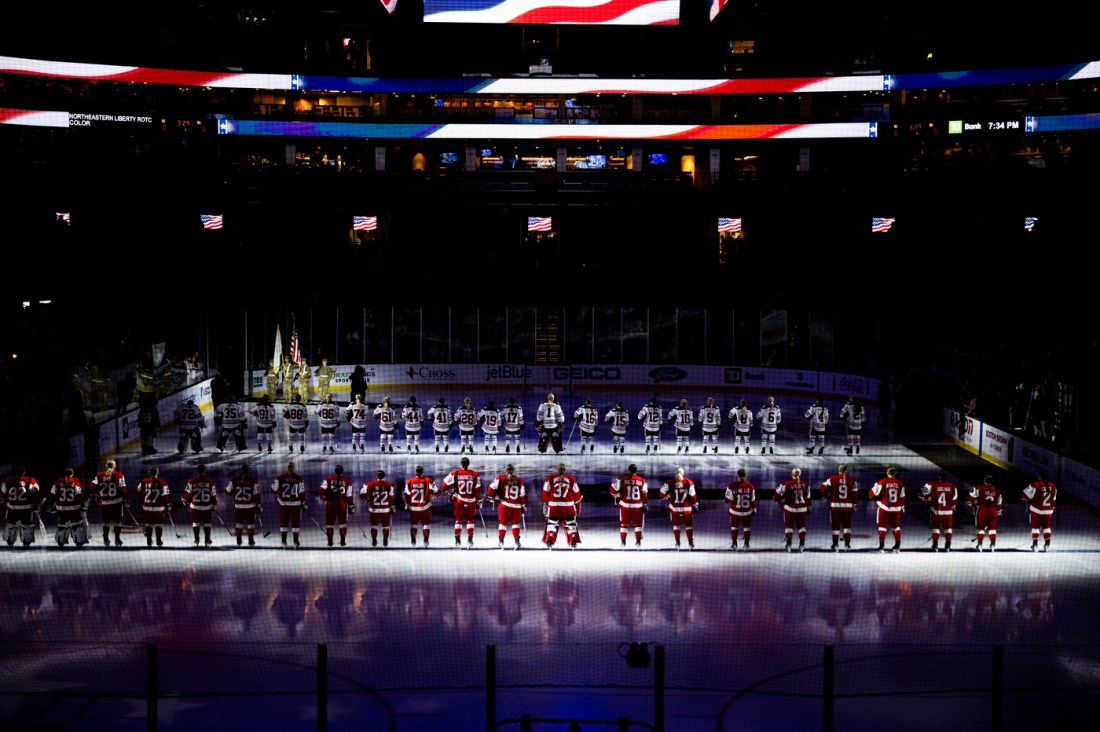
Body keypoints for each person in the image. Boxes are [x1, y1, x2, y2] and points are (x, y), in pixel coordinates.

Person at [443, 456, 482, 547]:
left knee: (458, 520)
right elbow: (477, 489)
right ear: (468, 464)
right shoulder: (475, 474)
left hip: (459, 500)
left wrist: (449, 490)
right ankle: (470, 540)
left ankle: (457, 540)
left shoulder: (455, 473)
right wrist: (478, 500)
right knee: (470, 520)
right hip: (471, 501)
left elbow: (444, 484)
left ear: (461, 464)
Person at [541, 463, 582, 549]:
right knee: (570, 524)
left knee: (552, 524)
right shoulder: (571, 479)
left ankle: (550, 538)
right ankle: (573, 540)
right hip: (568, 506)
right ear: (565, 470)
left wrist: (545, 503)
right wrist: (577, 503)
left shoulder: (550, 478)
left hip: (554, 506)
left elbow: (545, 492)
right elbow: (576, 494)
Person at [487, 463, 527, 549]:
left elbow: (491, 489)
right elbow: (522, 495)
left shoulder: (500, 478)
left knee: (502, 523)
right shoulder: (520, 481)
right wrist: (523, 505)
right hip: (516, 506)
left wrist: (491, 496)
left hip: (504, 505)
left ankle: (501, 541)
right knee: (515, 524)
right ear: (514, 470)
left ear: (506, 470)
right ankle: (517, 542)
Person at [46, 467, 88, 548]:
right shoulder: (76, 481)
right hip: (74, 509)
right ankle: (78, 540)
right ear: (72, 474)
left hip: (61, 509)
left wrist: (51, 505)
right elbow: (80, 495)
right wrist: (83, 505)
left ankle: (60, 540)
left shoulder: (58, 482)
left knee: (62, 524)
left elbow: (52, 495)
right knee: (77, 524)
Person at [820, 463, 858, 551]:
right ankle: (847, 544)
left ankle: (835, 544)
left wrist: (828, 495)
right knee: (847, 526)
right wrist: (854, 504)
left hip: (835, 506)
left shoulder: (832, 479)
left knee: (835, 526)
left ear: (839, 470)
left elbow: (822, 488)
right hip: (847, 506)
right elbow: (855, 494)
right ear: (846, 470)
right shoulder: (852, 480)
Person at [90, 458, 127, 547]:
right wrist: (126, 499)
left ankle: (106, 538)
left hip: (105, 503)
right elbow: (123, 489)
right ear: (114, 466)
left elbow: (92, 486)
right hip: (116, 503)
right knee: (117, 522)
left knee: (106, 522)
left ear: (106, 466)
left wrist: (96, 494)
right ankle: (117, 539)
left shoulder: (99, 475)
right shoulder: (119, 475)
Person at [869, 466, 906, 553]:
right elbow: (902, 497)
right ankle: (897, 546)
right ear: (895, 474)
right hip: (896, 509)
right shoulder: (900, 483)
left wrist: (872, 496)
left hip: (884, 508)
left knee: (882, 527)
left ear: (887, 473)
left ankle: (882, 547)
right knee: (896, 527)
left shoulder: (882, 481)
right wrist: (902, 506)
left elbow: (873, 493)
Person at [773, 467, 811, 552]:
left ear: (792, 475)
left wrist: (780, 498)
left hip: (790, 509)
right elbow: (808, 498)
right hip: (802, 509)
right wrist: (808, 506)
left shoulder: (786, 484)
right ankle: (802, 544)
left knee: (789, 527)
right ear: (799, 475)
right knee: (802, 527)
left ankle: (789, 544)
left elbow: (776, 495)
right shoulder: (806, 484)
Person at [920, 469, 959, 552]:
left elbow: (923, 490)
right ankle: (948, 545)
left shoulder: (932, 484)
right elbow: (955, 498)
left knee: (935, 528)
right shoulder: (952, 486)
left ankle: (935, 544)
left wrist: (927, 496)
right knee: (948, 529)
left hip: (936, 511)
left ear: (939, 476)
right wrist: (953, 505)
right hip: (948, 511)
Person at [611, 463, 648, 548]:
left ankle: (623, 542)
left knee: (624, 524)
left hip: (625, 505)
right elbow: (644, 494)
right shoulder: (642, 480)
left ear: (629, 470)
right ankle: (638, 542)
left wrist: (617, 494)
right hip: (637, 506)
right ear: (636, 470)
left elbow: (612, 489)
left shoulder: (622, 478)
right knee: (638, 524)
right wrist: (645, 503)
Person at [661, 467, 699, 549]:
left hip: (675, 509)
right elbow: (693, 496)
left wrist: (666, 496)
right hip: (687, 509)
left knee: (676, 526)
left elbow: (661, 493)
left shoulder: (670, 482)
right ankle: (690, 543)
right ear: (683, 473)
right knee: (688, 526)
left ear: (675, 473)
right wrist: (695, 504)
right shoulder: (689, 482)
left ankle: (677, 543)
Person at [2, 466, 41, 547]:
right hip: (26, 508)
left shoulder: (8, 480)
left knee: (11, 524)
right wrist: (37, 503)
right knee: (27, 524)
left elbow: (3, 491)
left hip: (12, 508)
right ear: (24, 472)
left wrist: (6, 499)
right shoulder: (30, 480)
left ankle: (10, 540)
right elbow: (36, 491)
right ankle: (26, 541)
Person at [317, 464, 355, 547]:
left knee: (329, 523)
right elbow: (349, 495)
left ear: (335, 471)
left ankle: (330, 541)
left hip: (330, 503)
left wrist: (323, 496)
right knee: (343, 523)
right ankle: (342, 541)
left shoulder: (328, 479)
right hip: (342, 504)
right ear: (342, 471)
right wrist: (351, 505)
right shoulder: (347, 481)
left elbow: (321, 489)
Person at [225, 463, 261, 547]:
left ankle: (238, 540)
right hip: (250, 506)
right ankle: (251, 540)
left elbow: (227, 491)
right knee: (250, 523)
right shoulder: (253, 480)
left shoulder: (234, 479)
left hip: (238, 505)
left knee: (239, 523)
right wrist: (259, 505)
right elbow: (256, 494)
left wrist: (234, 493)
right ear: (248, 471)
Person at [182, 463, 218, 547]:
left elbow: (187, 493)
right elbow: (213, 494)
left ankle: (196, 538)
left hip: (195, 506)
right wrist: (214, 504)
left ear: (197, 471)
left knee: (195, 523)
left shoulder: (191, 481)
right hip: (207, 507)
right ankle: (207, 539)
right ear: (205, 471)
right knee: (207, 523)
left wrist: (184, 499)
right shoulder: (210, 482)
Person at [272, 461, 306, 548]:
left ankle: (283, 541)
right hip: (295, 505)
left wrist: (278, 493)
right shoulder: (299, 478)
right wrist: (304, 503)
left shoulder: (280, 477)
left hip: (283, 505)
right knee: (295, 523)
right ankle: (295, 541)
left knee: (283, 523)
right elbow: (301, 492)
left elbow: (273, 489)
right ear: (293, 468)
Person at [403, 465, 440, 547]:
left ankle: (413, 539)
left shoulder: (409, 481)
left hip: (414, 507)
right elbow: (437, 491)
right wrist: (434, 494)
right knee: (426, 524)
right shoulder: (428, 480)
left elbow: (406, 494)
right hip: (425, 506)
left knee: (414, 524)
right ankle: (426, 540)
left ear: (415, 472)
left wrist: (407, 504)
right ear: (422, 472)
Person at [1021, 470, 1057, 552]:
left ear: (1039, 476)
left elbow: (1024, 494)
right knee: (1047, 527)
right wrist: (1051, 509)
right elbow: (1054, 500)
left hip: (1036, 510)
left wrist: (1025, 498)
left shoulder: (1035, 484)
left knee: (1035, 527)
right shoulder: (1053, 486)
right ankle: (1047, 545)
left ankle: (1035, 545)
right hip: (1048, 511)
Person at [136, 466, 171, 548]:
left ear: (149, 472)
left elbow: (139, 490)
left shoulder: (144, 481)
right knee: (158, 524)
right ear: (157, 472)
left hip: (147, 507)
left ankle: (149, 539)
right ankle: (158, 540)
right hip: (158, 508)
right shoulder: (162, 482)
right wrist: (167, 504)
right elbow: (165, 495)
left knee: (148, 524)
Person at [360, 469, 396, 548]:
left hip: (374, 509)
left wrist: (366, 498)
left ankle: (374, 539)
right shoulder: (389, 485)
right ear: (384, 476)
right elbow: (391, 497)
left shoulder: (370, 484)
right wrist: (392, 506)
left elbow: (362, 493)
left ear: (376, 476)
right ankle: (385, 539)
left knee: (374, 525)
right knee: (386, 525)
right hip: (385, 509)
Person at [724, 467, 756, 550]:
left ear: (737, 475)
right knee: (747, 528)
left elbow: (728, 500)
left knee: (734, 527)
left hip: (734, 511)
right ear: (746, 476)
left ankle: (734, 544)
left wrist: (726, 500)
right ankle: (746, 544)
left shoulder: (731, 486)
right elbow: (752, 500)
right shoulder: (750, 486)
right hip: (747, 512)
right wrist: (754, 508)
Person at [969, 474, 1003, 552]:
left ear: (984, 481)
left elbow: (970, 497)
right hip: (993, 511)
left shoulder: (979, 488)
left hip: (982, 511)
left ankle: (980, 545)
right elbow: (999, 502)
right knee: (992, 529)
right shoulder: (996, 490)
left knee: (980, 528)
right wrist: (999, 512)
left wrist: (973, 503)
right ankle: (993, 545)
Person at [137, 391, 160, 456]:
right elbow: (156, 417)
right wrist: (157, 425)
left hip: (143, 426)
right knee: (151, 436)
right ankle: (150, 448)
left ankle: (144, 448)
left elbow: (139, 417)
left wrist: (140, 424)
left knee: (143, 436)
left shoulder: (142, 409)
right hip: (151, 426)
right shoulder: (153, 409)